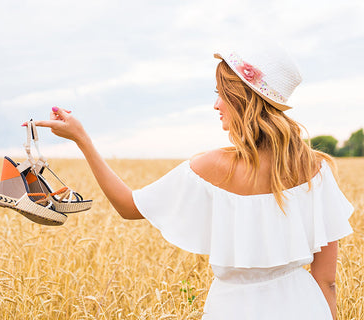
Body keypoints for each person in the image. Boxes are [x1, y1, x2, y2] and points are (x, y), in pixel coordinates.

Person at [25, 45, 354, 319]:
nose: (215, 104)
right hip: (305, 308)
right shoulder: (316, 169)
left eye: (221, 94)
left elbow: (128, 205)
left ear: (243, 99)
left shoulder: (212, 166)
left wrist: (82, 138)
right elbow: (326, 281)